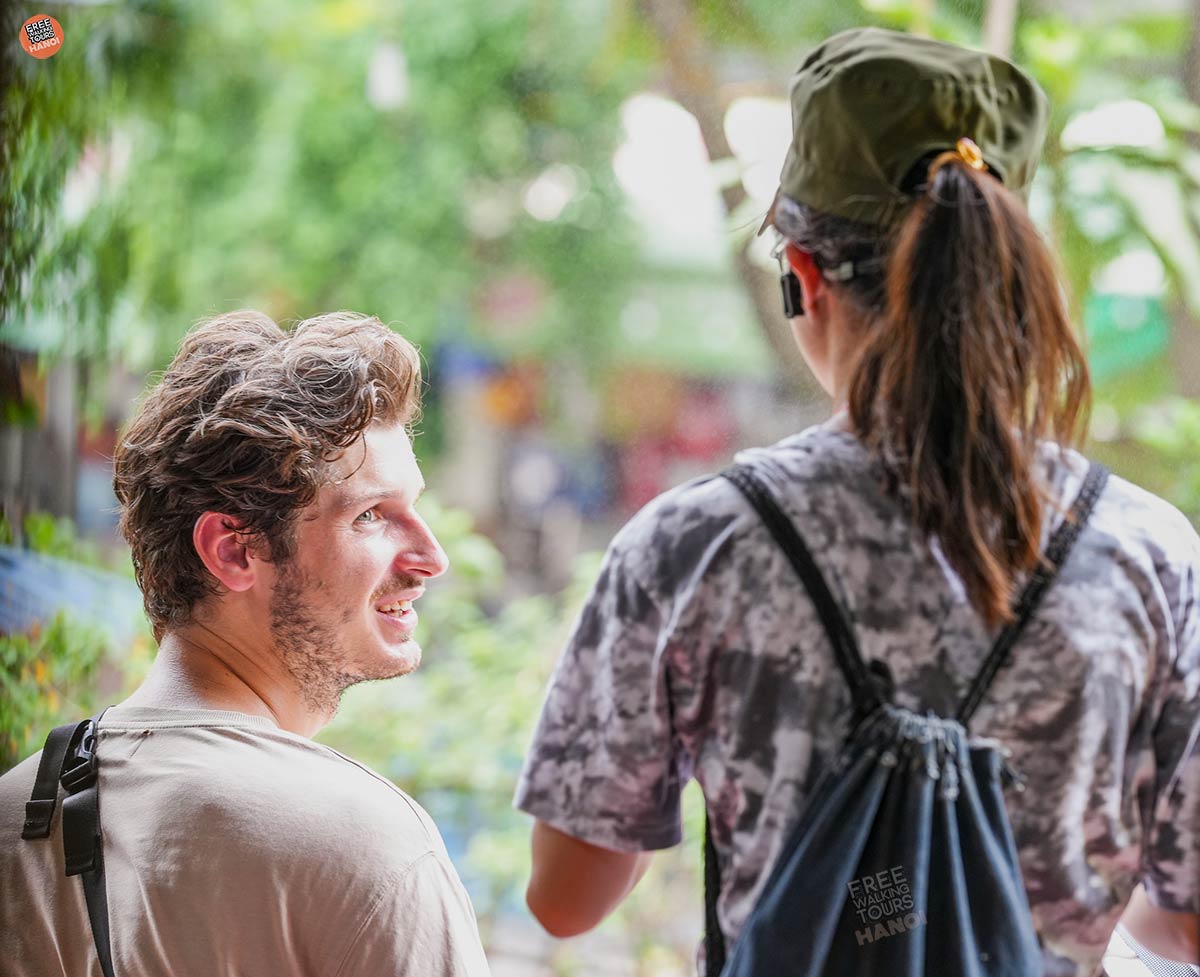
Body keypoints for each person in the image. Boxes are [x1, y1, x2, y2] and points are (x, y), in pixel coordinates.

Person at [513, 26, 1200, 977]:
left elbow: (566, 897)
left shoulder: (694, 544)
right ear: (1007, 271)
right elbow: (1189, 921)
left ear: (802, 275)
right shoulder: (1151, 553)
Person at [0, 310, 491, 976]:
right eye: (372, 515)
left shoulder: (15, 815)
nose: (432, 555)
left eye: (416, 506)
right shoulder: (366, 848)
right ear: (234, 549)